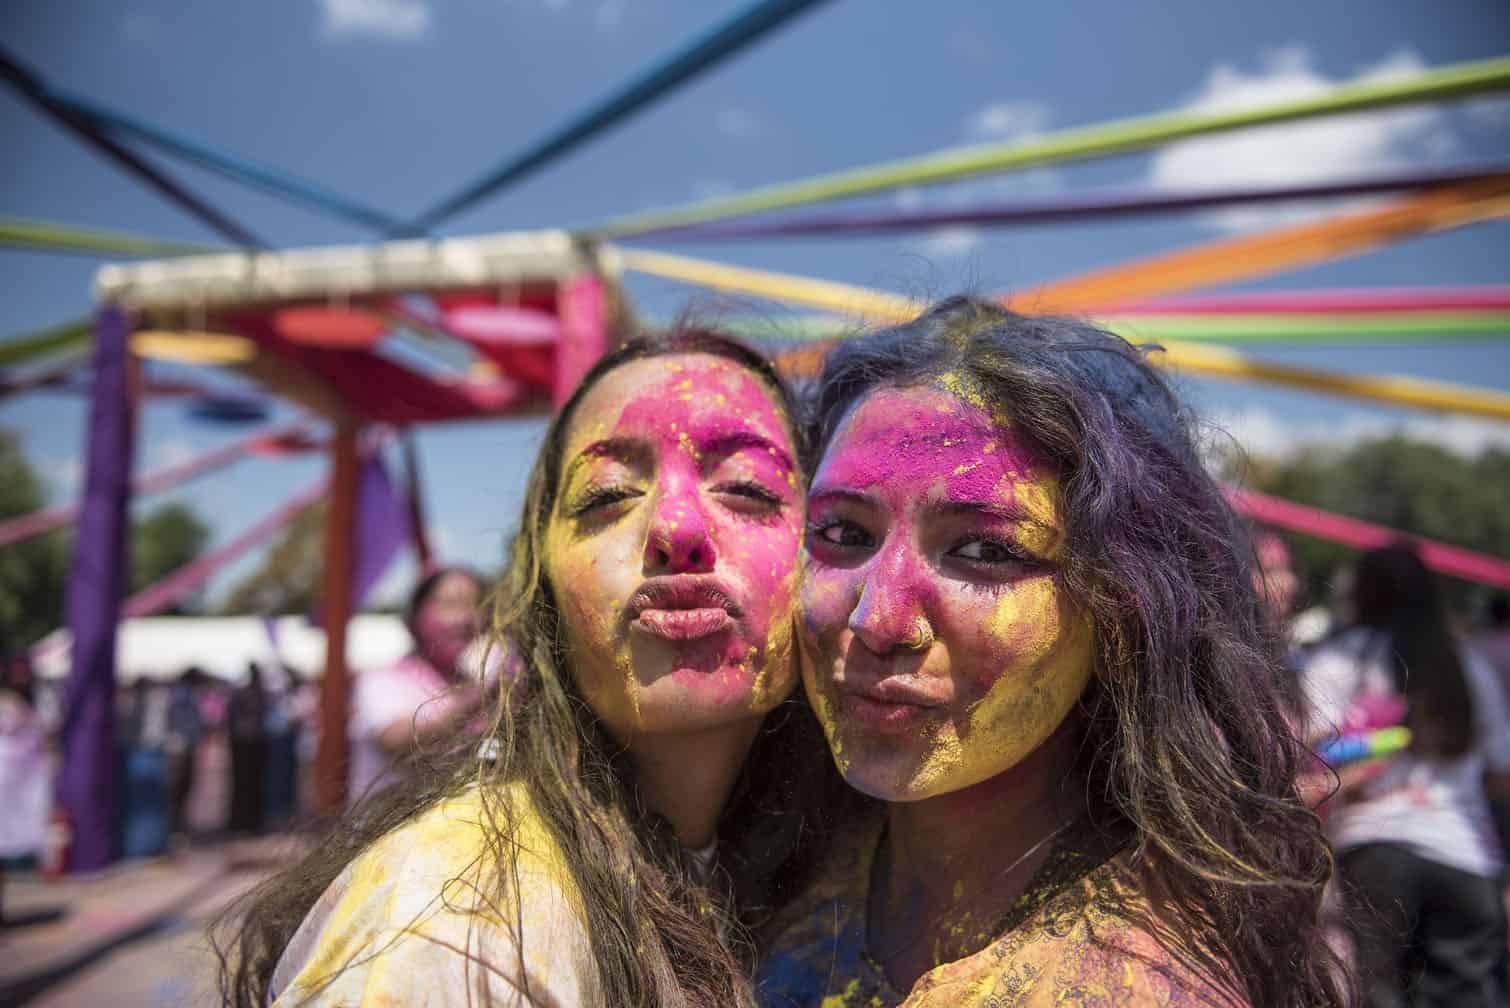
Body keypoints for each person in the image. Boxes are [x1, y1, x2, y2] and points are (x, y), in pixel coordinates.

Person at [220, 328, 845, 1007]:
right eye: (607, 495)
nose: (677, 528)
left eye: (747, 488)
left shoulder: (823, 874)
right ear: (540, 579)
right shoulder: (446, 924)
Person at [756, 299, 1343, 1007]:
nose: (880, 619)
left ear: (1120, 606)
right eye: (845, 535)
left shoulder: (1134, 989)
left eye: (983, 550)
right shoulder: (768, 871)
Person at [1302, 544, 1510, 1007]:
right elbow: (1501, 775)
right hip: (1467, 857)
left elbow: (1308, 756)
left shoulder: (1341, 661)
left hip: (1375, 849)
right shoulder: (1467, 667)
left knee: (1375, 991)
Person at [347, 566, 489, 800]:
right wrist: (478, 699)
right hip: (390, 831)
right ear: (413, 619)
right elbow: (396, 740)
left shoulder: (473, 680)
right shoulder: (383, 679)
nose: (467, 618)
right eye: (452, 604)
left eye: (476, 605)